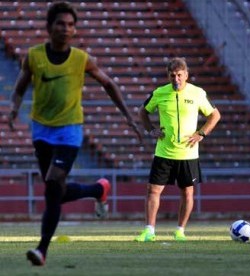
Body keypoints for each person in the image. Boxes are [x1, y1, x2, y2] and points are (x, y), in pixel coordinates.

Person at [7, 2, 142, 266]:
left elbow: (109, 83)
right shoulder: (34, 56)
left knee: (53, 186)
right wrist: (13, 109)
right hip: (41, 130)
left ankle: (42, 250)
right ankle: (98, 189)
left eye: (70, 25)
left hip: (70, 130)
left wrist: (127, 115)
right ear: (49, 27)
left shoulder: (82, 59)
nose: (66, 29)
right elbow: (20, 87)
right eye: (60, 24)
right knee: (54, 190)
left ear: (75, 29)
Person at [134, 57, 220, 242]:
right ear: (168, 76)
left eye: (180, 75)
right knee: (153, 190)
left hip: (188, 153)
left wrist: (201, 134)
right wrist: (151, 130)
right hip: (164, 152)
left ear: (186, 75)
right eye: (172, 75)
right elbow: (142, 111)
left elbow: (214, 115)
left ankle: (180, 230)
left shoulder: (197, 93)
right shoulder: (159, 93)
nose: (176, 79)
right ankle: (149, 231)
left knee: (187, 192)